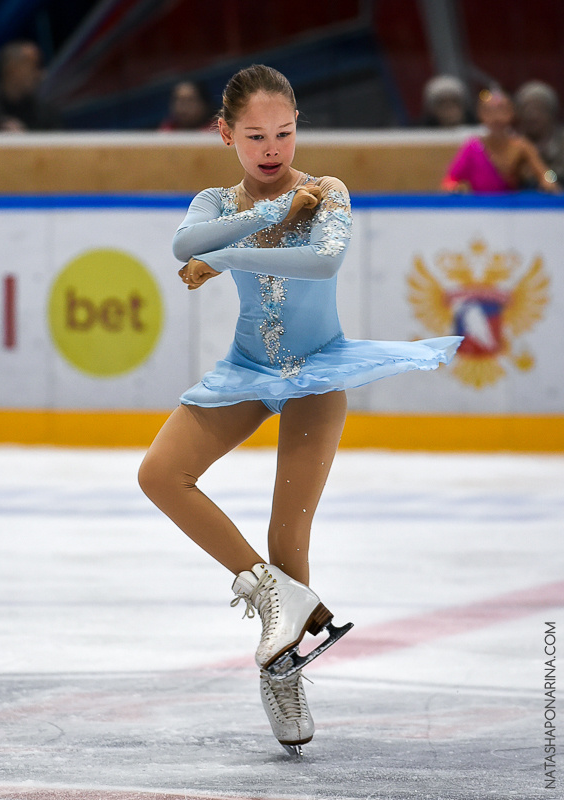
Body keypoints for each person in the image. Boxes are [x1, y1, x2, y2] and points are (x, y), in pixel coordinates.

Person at [138, 64, 462, 757]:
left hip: (318, 371)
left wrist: (236, 249)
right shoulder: (218, 200)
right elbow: (181, 246)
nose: (272, 147)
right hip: (248, 369)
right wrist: (265, 218)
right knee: (160, 475)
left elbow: (322, 265)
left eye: (283, 132)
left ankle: (283, 672)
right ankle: (269, 599)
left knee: (289, 536)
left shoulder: (328, 191)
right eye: (255, 135)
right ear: (225, 132)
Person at [442, 89, 560, 193]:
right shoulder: (472, 147)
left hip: (511, 209)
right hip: (479, 209)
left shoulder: (521, 146)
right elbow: (450, 179)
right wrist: (454, 187)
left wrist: (549, 181)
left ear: (512, 113)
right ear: (481, 114)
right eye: (490, 111)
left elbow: (545, 172)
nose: (497, 117)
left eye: (502, 110)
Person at [0, 41, 61, 132]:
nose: (41, 74)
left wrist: (25, 139)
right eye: (35, 66)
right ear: (12, 69)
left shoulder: (46, 113)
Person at [514, 80, 564, 186]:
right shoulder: (513, 143)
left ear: (551, 112)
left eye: (539, 108)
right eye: (526, 108)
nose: (532, 115)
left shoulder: (561, 143)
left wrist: (542, 174)